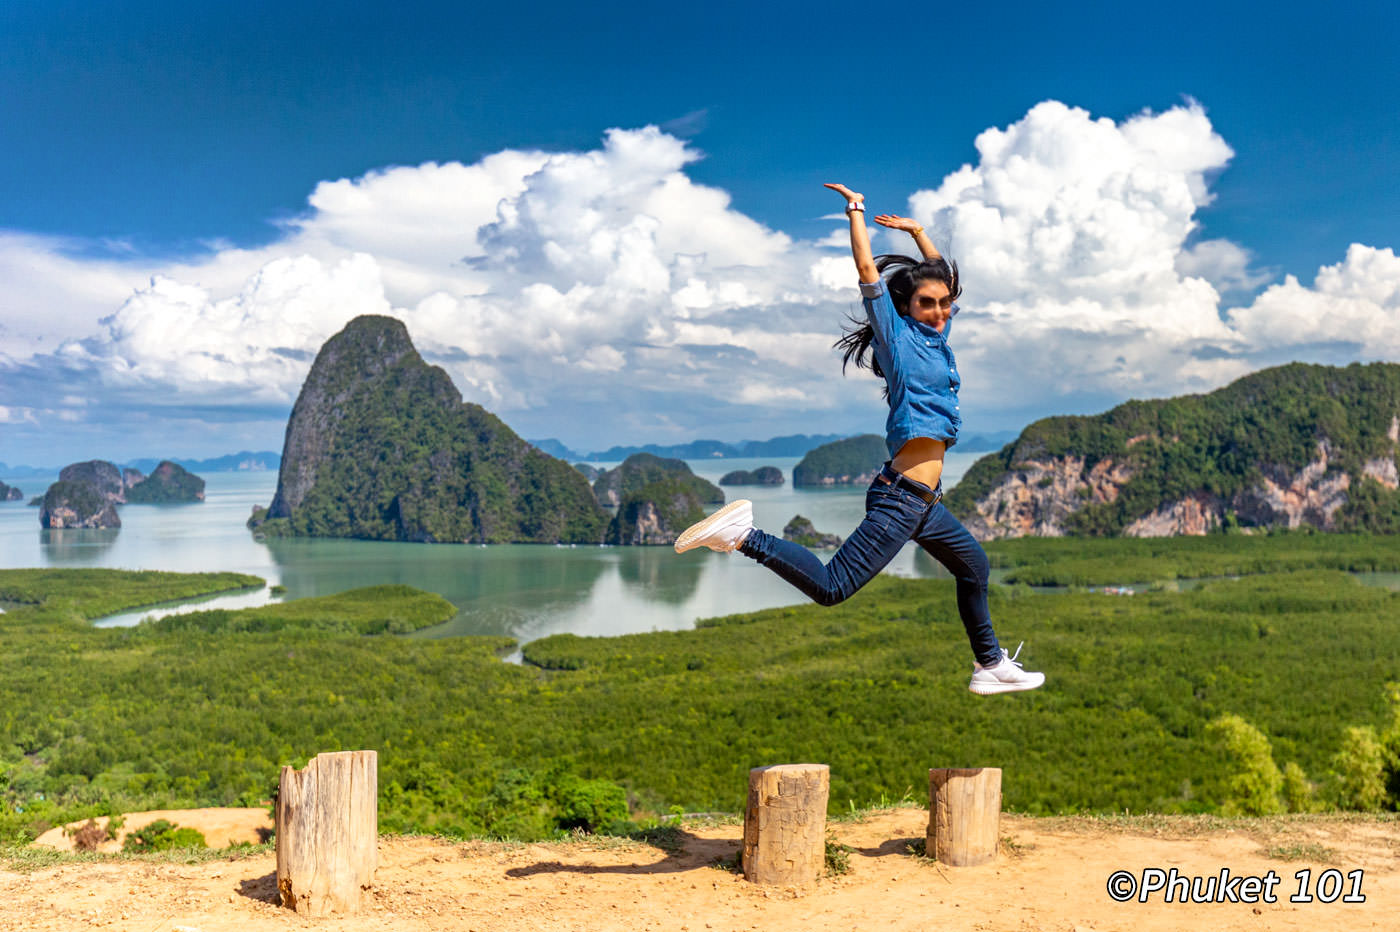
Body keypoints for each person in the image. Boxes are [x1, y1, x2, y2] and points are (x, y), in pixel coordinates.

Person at [674, 183, 1044, 695]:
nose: (940, 311)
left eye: (945, 305)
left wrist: (919, 234)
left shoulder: (937, 339)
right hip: (900, 500)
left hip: (925, 502)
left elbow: (945, 281)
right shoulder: (897, 338)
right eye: (928, 304)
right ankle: (744, 536)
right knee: (832, 588)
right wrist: (856, 212)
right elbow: (869, 274)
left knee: (974, 568)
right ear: (907, 306)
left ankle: (988, 664)